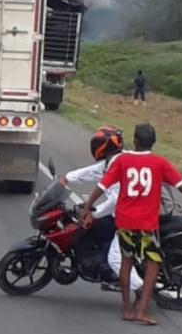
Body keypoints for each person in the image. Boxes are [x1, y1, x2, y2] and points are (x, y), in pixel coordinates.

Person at [81, 123, 182, 326]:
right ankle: (142, 311)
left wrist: (87, 207)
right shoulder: (159, 163)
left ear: (135, 141)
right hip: (146, 223)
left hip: (125, 221)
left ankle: (127, 309)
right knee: (153, 263)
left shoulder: (123, 161)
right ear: (153, 142)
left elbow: (102, 186)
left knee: (126, 262)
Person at [60, 126, 144, 293]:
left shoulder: (118, 163)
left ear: (104, 146)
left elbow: (116, 199)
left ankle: (141, 292)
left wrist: (94, 212)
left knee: (115, 258)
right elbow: (93, 172)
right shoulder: (113, 161)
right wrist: (67, 179)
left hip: (130, 215)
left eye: (97, 143)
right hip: (126, 211)